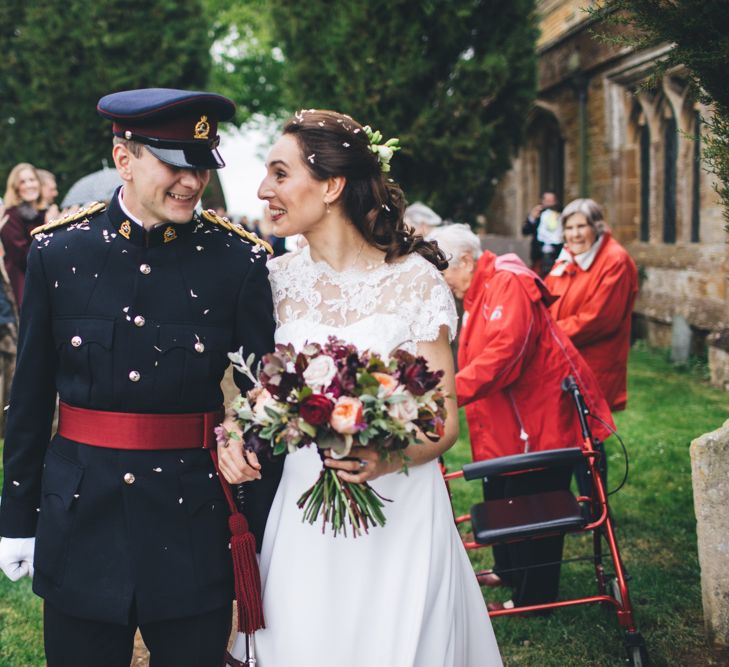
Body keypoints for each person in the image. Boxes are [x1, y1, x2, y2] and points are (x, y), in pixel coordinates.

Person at [0, 88, 281, 667]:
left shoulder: (238, 261)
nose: (192, 181)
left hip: (193, 520)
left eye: (201, 165)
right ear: (124, 159)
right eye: (175, 164)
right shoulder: (59, 251)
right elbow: (29, 399)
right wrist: (15, 519)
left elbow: (266, 399)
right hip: (81, 516)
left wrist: (260, 526)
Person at [220, 109, 502, 667]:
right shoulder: (273, 280)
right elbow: (246, 392)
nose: (263, 189)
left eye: (280, 173)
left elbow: (444, 420)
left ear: (331, 185)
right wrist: (235, 430)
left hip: (400, 508)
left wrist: (385, 456)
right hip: (304, 509)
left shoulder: (415, 281)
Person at [427, 223, 614, 612]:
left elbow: (505, 354)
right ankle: (508, 571)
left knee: (536, 507)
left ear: (465, 259)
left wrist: (447, 393)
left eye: (443, 269)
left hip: (540, 420)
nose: (442, 280)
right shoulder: (480, 287)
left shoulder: (507, 282)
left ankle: (534, 598)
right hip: (509, 420)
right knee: (502, 495)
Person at [544, 199, 638, 495]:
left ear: (596, 227)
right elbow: (547, 297)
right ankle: (579, 500)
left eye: (581, 225)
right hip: (565, 360)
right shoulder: (567, 258)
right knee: (570, 433)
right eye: (569, 227)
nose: (574, 234)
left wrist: (549, 335)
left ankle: (596, 504)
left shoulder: (614, 260)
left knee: (588, 435)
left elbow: (599, 318)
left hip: (593, 363)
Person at [1, 163, 46, 306]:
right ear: (16, 188)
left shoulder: (42, 213)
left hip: (44, 281)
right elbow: (23, 258)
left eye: (32, 180)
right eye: (23, 181)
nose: (29, 185)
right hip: (25, 288)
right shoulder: (12, 216)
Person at [521, 191, 562, 276]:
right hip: (539, 255)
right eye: (547, 201)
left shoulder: (560, 214)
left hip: (557, 253)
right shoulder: (538, 214)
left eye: (552, 200)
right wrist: (532, 218)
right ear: (542, 201)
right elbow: (525, 231)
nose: (550, 203)